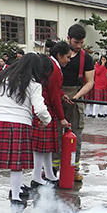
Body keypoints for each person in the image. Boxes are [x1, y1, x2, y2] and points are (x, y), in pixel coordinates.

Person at [0, 53, 51, 210]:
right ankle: (16, 198)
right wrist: (46, 121)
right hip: (20, 125)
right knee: (17, 165)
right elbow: (40, 108)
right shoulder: (33, 85)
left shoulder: (0, 78)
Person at [55, 23, 95, 182]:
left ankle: (74, 168)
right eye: (75, 42)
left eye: (81, 42)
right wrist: (59, 95)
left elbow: (89, 82)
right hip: (57, 94)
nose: (78, 46)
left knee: (75, 135)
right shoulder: (58, 53)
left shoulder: (87, 58)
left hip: (76, 94)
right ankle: (52, 168)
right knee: (55, 134)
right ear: (68, 39)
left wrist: (77, 96)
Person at [30, 42, 72, 189]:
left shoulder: (53, 66)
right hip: (44, 109)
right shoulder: (54, 69)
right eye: (67, 57)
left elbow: (54, 90)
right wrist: (62, 118)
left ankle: (49, 174)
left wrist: (62, 94)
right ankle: (36, 176)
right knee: (41, 147)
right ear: (59, 55)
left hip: (46, 108)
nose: (69, 60)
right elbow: (53, 96)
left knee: (46, 147)